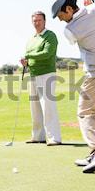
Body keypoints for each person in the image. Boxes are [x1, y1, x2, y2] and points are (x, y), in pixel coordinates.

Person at [51, 0, 95, 173]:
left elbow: (74, 37)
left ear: (68, 9)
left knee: (84, 112)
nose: (60, 19)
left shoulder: (70, 29)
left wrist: (86, 12)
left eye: (60, 15)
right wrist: (94, 7)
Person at [20, 11, 62, 146]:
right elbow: (30, 57)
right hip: (33, 74)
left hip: (47, 74)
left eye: (39, 20)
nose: (36, 23)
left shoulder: (50, 36)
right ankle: (38, 136)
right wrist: (26, 62)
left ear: (44, 21)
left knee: (48, 106)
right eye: (34, 21)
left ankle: (54, 138)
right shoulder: (32, 39)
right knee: (35, 107)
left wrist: (28, 55)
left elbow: (47, 53)